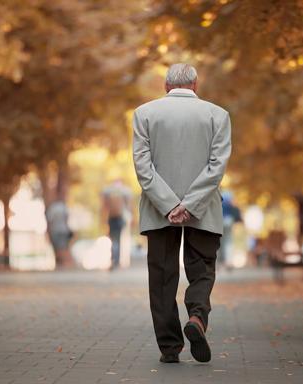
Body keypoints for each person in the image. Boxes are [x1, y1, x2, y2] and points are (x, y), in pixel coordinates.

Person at [132, 63, 232, 364]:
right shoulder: (218, 115)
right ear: (195, 85)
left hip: (157, 209)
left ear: (165, 86)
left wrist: (169, 205)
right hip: (204, 209)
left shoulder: (145, 114)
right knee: (201, 268)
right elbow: (217, 167)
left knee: (162, 277)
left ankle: (170, 348)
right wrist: (190, 204)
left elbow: (143, 167)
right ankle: (198, 317)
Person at [101, 180, 131, 270]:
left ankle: (113, 259)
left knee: (113, 240)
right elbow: (129, 206)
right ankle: (116, 261)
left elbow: (104, 206)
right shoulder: (124, 193)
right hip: (120, 218)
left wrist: (103, 219)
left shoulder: (109, 192)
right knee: (117, 240)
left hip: (111, 218)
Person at [219, 191, 242, 268]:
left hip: (220, 222)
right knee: (228, 242)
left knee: (220, 242)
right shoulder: (230, 197)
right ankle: (228, 261)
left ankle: (219, 261)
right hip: (229, 221)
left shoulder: (220, 197)